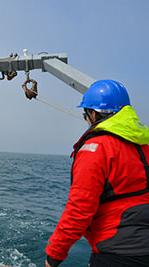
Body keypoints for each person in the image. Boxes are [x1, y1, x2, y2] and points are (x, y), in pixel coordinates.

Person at [45, 80, 149, 267]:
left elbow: (79, 209)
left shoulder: (96, 148)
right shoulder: (144, 146)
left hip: (116, 253)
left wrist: (54, 255)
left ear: (93, 114)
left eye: (85, 113)